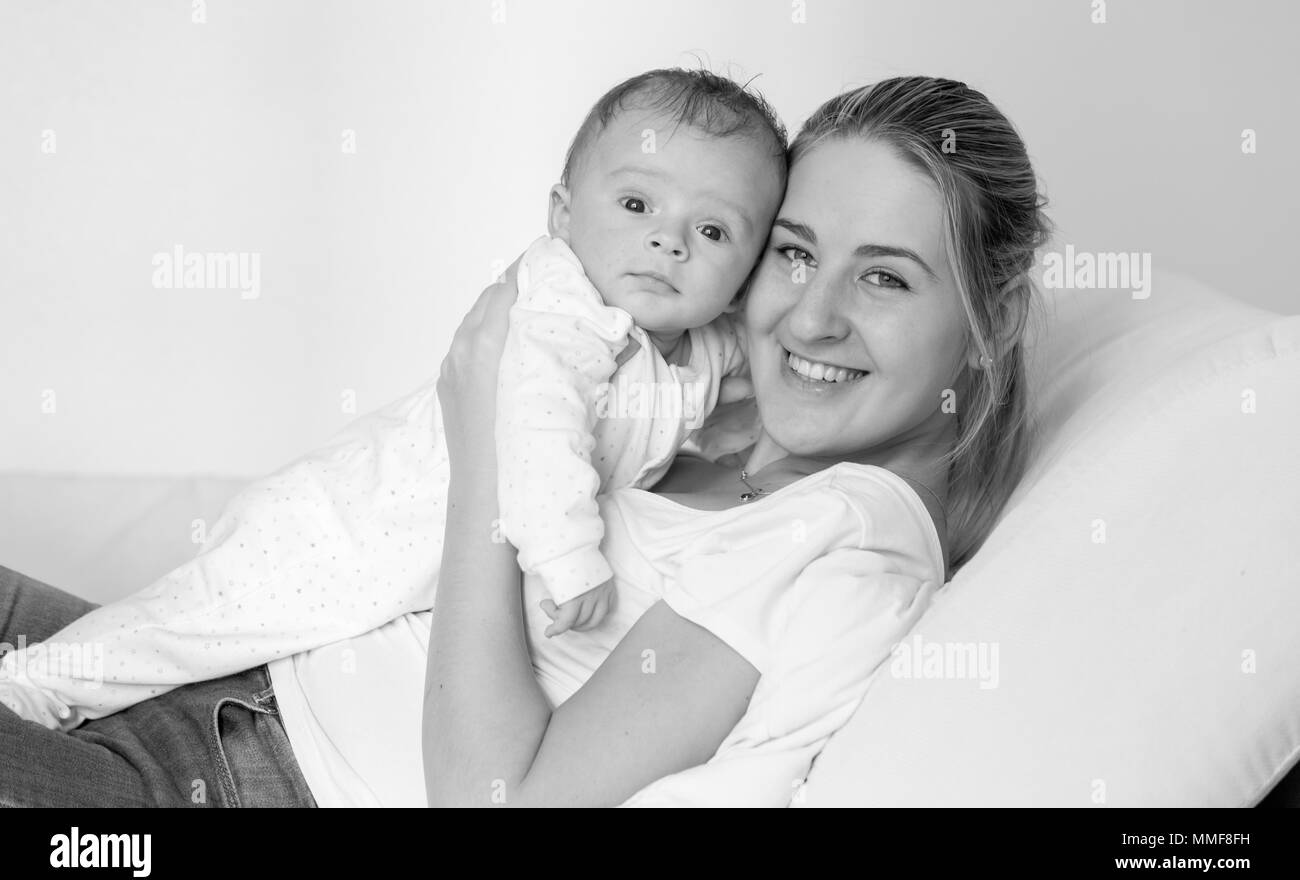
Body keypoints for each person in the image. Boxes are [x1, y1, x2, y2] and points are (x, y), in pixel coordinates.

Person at [0, 75, 1048, 807]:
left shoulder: (838, 546)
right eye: (793, 253)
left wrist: (484, 450)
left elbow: (497, 801)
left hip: (237, 776)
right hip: (232, 672)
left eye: (884, 277)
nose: (809, 319)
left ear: (989, 320)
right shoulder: (742, 428)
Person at [0, 67, 786, 733]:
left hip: (402, 568)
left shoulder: (695, 348)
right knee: (191, 625)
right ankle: (36, 682)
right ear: (563, 212)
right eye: (638, 205)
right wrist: (569, 556)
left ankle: (57, 670)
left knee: (193, 650)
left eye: (713, 231)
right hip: (342, 528)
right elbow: (539, 426)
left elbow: (739, 385)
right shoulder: (566, 307)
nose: (669, 241)